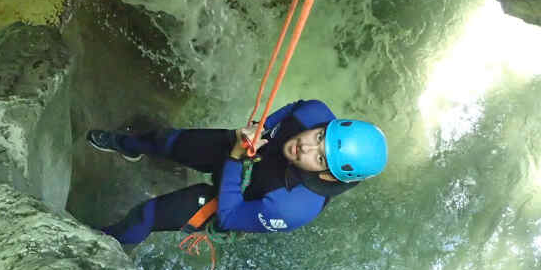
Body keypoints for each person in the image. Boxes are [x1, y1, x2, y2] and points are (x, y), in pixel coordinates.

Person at [85, 99, 388, 245]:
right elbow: (292, 108)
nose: (305, 147)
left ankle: (98, 243)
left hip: (237, 200)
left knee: (147, 215)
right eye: (319, 137)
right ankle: (127, 144)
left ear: (328, 176)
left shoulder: (294, 207)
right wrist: (262, 127)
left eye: (320, 159)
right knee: (168, 140)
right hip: (251, 152)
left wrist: (234, 158)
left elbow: (230, 217)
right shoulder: (313, 113)